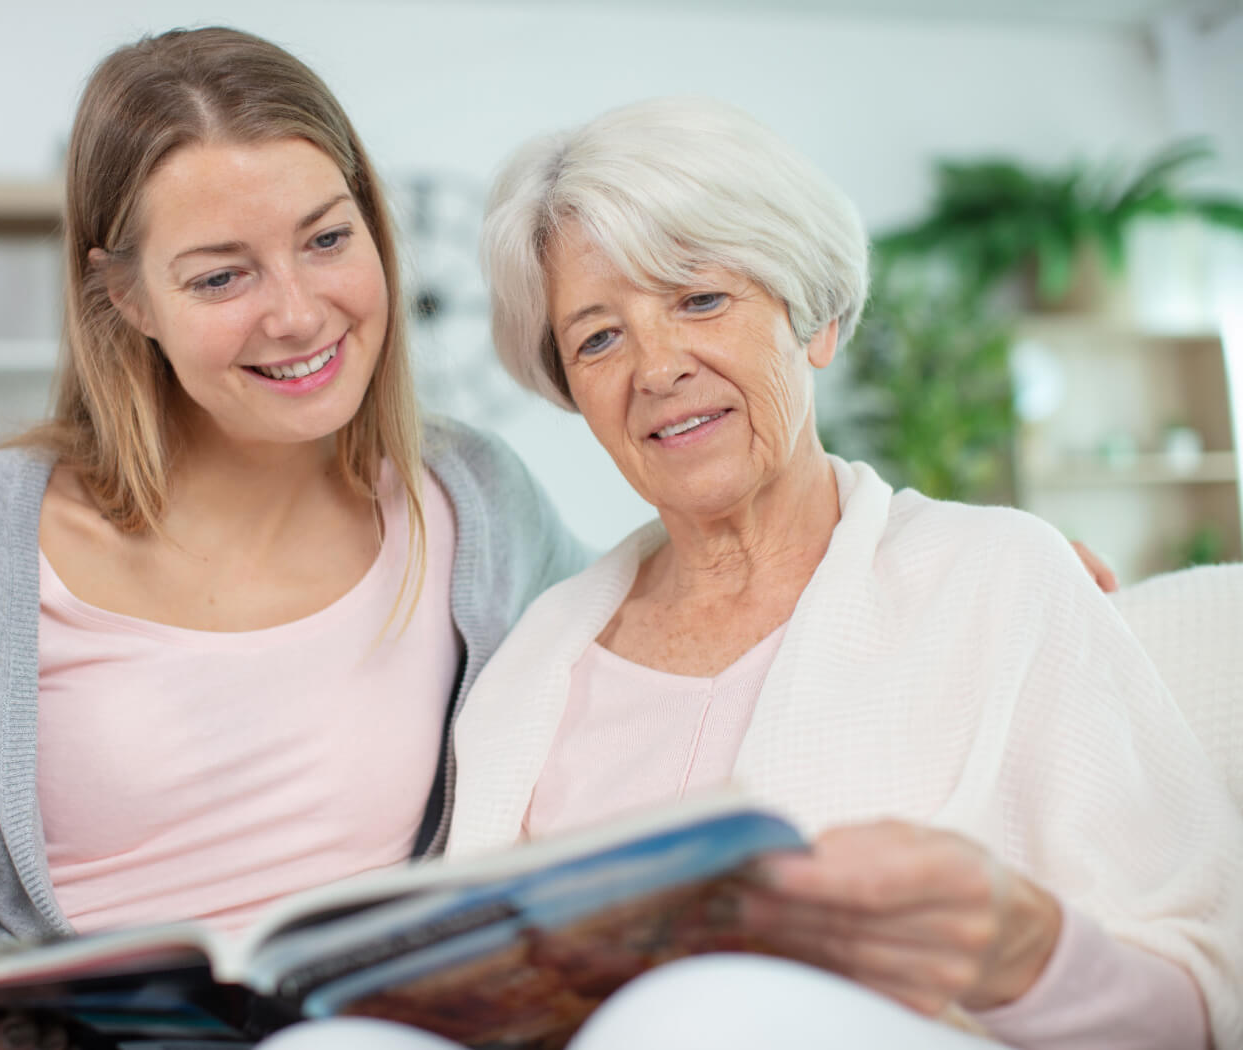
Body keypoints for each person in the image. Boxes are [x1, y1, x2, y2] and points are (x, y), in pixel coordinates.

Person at [256, 98, 1243, 1049]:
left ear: (811, 319)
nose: (655, 366)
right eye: (597, 337)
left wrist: (1024, 953)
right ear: (574, 395)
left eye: (700, 298)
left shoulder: (996, 576)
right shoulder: (534, 663)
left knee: (700, 1018)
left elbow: (1200, 1000)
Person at [0, 27, 587, 1050]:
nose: (298, 313)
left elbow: (640, 653)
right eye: (221, 277)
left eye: (328, 239)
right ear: (124, 295)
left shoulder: (471, 496)